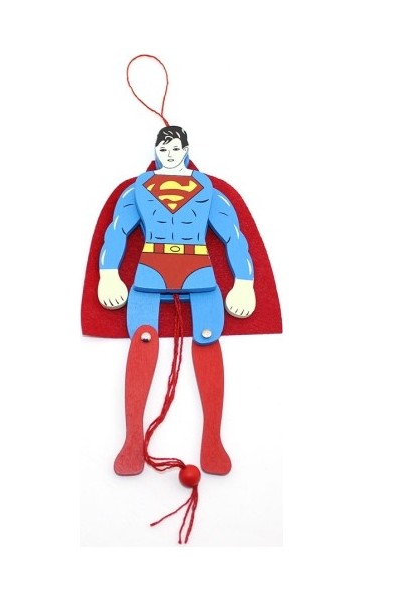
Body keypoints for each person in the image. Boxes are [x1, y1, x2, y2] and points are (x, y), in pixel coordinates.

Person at [98, 126, 256, 476]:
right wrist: (108, 274)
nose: (169, 154)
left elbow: (233, 236)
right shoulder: (137, 190)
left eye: (174, 147)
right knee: (142, 338)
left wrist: (244, 282)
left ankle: (213, 442)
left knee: (208, 336)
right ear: (156, 151)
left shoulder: (209, 191)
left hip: (199, 272)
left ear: (186, 149)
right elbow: (117, 231)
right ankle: (132, 442)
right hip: (150, 273)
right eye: (163, 147)